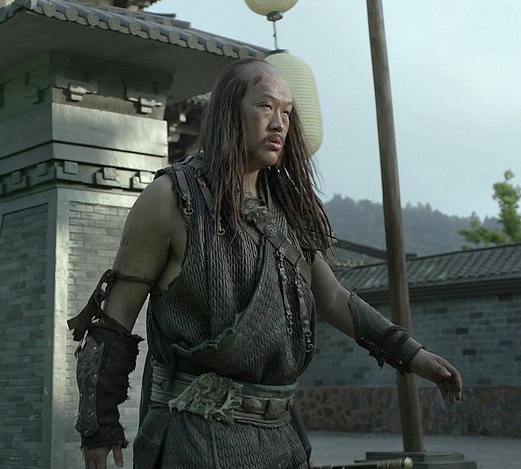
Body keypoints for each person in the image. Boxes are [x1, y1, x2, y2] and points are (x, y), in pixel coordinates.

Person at [68, 58, 463, 469]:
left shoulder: (285, 209)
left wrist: (411, 354)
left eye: (287, 112)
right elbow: (115, 319)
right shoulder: (170, 199)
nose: (279, 124)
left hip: (280, 435)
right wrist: (98, 427)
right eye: (266, 106)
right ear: (229, 112)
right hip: (194, 436)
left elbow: (333, 298)